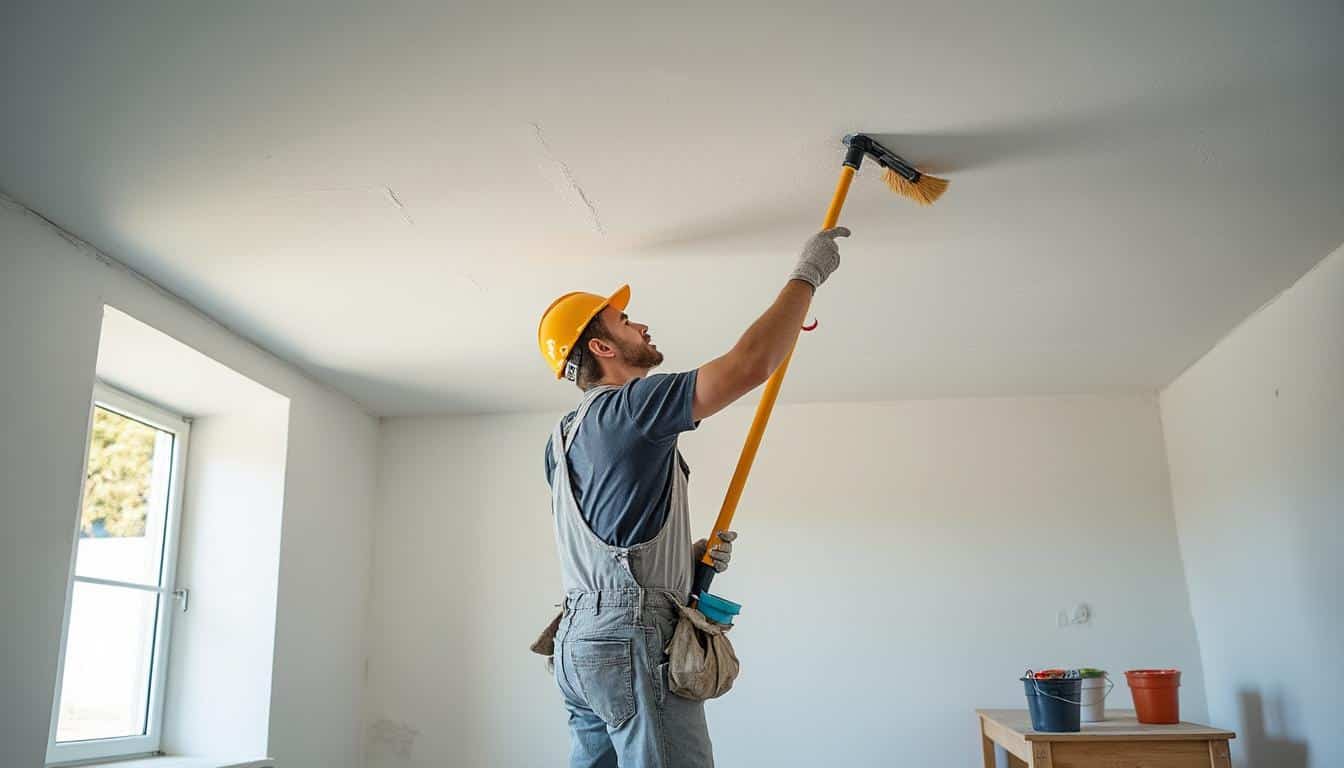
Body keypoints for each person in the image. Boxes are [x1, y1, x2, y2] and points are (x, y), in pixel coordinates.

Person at [536, 227, 849, 767]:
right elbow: (750, 364)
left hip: (578, 644)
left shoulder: (562, 438)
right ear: (602, 347)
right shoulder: (632, 406)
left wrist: (684, 558)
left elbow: (609, 539)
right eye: (625, 321)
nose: (641, 324)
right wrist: (807, 277)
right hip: (630, 637)